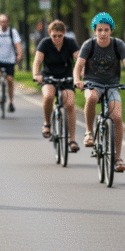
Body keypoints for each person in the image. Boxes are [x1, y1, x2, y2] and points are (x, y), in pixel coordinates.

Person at [73, 12, 125, 172]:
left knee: (117, 117)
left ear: (111, 31)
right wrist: (77, 81)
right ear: (94, 31)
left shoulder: (118, 45)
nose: (103, 33)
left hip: (112, 85)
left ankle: (117, 158)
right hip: (92, 83)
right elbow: (78, 66)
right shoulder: (89, 45)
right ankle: (89, 133)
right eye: (100, 30)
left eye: (106, 30)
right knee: (92, 97)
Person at [32, 20, 81, 152]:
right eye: (54, 36)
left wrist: (82, 74)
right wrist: (36, 74)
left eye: (60, 36)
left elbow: (80, 60)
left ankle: (72, 140)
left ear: (64, 34)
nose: (57, 39)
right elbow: (37, 61)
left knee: (70, 104)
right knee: (48, 96)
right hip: (48, 77)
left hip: (66, 78)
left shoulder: (70, 43)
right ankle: (47, 123)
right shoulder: (45, 43)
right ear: (50, 34)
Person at [0, 14, 23, 113]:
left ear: (8, 22)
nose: (4, 23)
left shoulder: (13, 32)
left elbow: (18, 45)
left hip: (10, 60)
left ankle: (11, 102)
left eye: (5, 21)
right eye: (2, 21)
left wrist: (19, 55)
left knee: (10, 80)